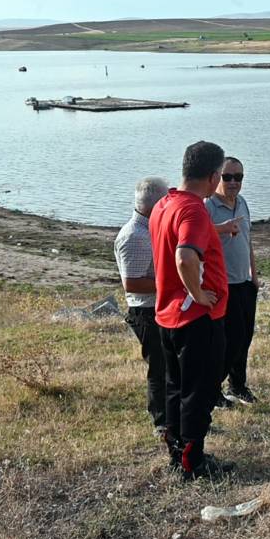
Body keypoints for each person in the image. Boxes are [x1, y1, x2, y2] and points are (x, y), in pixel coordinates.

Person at [149, 141, 234, 480]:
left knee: (175, 387)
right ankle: (193, 462)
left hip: (167, 315)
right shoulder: (194, 210)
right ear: (214, 176)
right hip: (195, 317)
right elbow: (185, 257)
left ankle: (176, 451)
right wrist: (198, 294)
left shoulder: (163, 204)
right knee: (198, 393)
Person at [114, 177, 169, 441]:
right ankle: (162, 422)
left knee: (171, 366)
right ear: (155, 203)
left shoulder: (150, 230)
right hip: (146, 312)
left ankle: (173, 419)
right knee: (159, 368)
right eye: (166, 200)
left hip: (159, 308)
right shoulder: (135, 236)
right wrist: (172, 282)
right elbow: (133, 284)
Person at [206, 156, 260, 408]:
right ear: (217, 178)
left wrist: (254, 276)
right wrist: (221, 229)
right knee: (229, 340)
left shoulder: (243, 204)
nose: (233, 182)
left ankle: (238, 385)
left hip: (245, 283)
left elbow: (248, 241)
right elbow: (197, 241)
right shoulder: (208, 207)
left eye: (238, 177)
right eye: (227, 177)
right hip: (222, 285)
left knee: (245, 337)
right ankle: (212, 388)